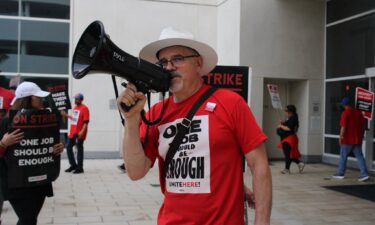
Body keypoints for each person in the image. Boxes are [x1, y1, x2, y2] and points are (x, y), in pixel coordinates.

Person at [118, 27, 272, 225]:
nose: (169, 67)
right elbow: (135, 172)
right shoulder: (156, 113)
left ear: (198, 63)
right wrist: (131, 119)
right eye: (163, 62)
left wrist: (262, 221)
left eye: (178, 59)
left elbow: (259, 165)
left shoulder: (230, 103)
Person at [0, 81, 64, 225]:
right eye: (37, 97)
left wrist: (57, 147)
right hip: (17, 184)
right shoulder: (6, 123)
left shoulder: (46, 119)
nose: (42, 99)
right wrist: (4, 143)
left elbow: (49, 144)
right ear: (27, 99)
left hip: (39, 183)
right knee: (27, 219)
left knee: (30, 219)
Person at [332, 97, 369, 182]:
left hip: (347, 139)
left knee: (343, 156)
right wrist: (362, 135)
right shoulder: (359, 113)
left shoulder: (345, 113)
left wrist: (340, 137)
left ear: (344, 105)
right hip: (357, 139)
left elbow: (343, 127)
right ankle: (364, 174)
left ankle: (340, 173)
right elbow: (363, 126)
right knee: (360, 156)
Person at [62, 93, 90, 174]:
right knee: (68, 147)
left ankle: (80, 167)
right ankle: (73, 165)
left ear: (81, 100)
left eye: (77, 99)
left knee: (79, 149)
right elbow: (74, 119)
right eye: (75, 99)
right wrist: (66, 115)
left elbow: (86, 122)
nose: (75, 100)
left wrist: (82, 131)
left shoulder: (85, 108)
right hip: (73, 132)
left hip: (79, 133)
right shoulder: (75, 108)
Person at [276, 105, 305, 174]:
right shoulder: (290, 118)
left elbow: (289, 128)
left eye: (286, 111)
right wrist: (283, 123)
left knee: (288, 154)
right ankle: (299, 164)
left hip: (289, 139)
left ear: (290, 112)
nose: (285, 112)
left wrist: (281, 126)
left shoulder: (293, 118)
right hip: (289, 138)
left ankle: (287, 169)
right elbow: (287, 125)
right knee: (290, 154)